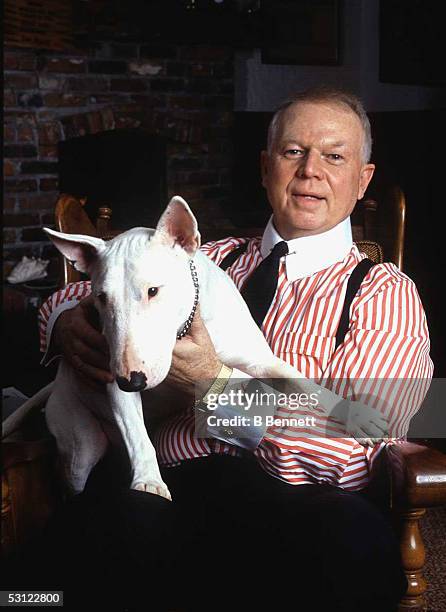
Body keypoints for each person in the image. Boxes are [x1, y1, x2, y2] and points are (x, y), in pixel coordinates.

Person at [31, 87, 432, 611]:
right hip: (164, 485)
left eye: (334, 156)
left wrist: (214, 386)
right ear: (266, 168)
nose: (310, 170)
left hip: (295, 499)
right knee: (44, 581)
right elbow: (72, 293)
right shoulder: (200, 254)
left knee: (353, 550)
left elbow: (357, 450)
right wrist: (66, 325)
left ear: (363, 179)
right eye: (293, 152)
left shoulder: (385, 291)